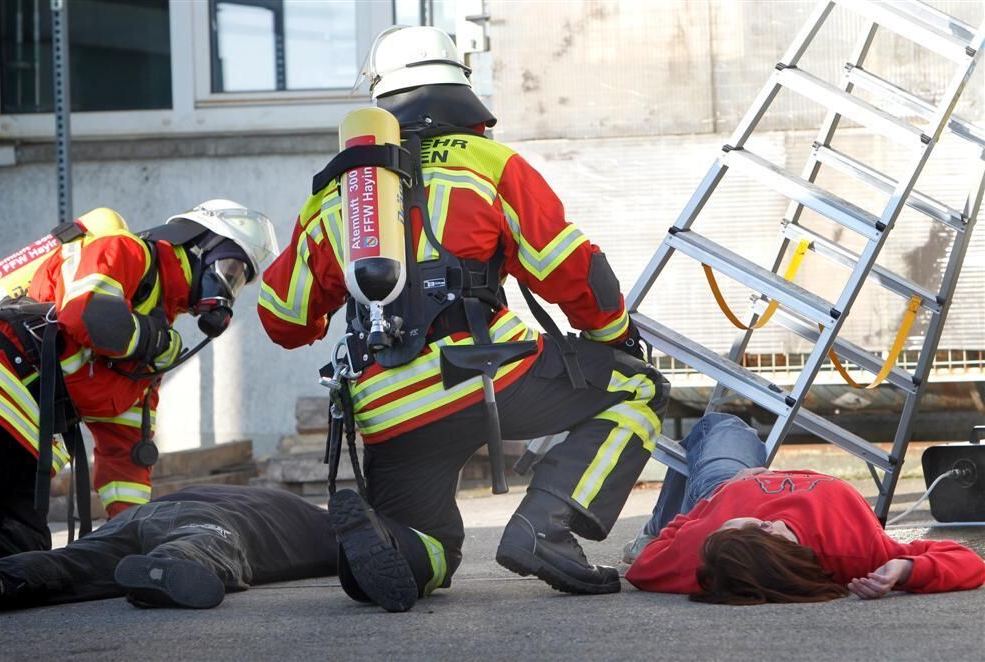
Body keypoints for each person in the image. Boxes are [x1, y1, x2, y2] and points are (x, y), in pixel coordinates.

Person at [259, 26, 668, 612]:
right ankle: (544, 528)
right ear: (460, 91)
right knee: (638, 388)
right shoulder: (488, 162)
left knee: (430, 546)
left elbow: (282, 317)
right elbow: (573, 271)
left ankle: (390, 550)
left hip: (387, 406)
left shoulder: (341, 193)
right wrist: (613, 335)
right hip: (485, 375)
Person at [0, 200, 279, 565]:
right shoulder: (126, 250)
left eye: (239, 280)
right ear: (197, 244)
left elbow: (125, 451)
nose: (228, 287)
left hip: (24, 438)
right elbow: (89, 313)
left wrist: (132, 534)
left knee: (17, 554)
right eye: (230, 268)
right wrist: (151, 340)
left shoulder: (157, 337)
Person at [624, 413, 985, 603]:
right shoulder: (855, 553)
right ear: (768, 533)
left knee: (720, 425)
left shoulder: (705, 550)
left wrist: (699, 512)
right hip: (740, 491)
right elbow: (971, 564)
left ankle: (658, 525)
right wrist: (905, 569)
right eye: (740, 526)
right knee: (731, 434)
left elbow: (642, 570)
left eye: (723, 527)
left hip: (721, 485)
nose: (728, 523)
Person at [0, 484, 337, 615]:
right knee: (207, 545)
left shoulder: (283, 505)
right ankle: (163, 568)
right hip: (208, 517)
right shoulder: (321, 525)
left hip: (141, 514)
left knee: (70, 561)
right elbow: (376, 540)